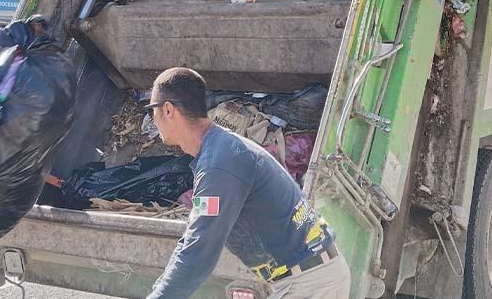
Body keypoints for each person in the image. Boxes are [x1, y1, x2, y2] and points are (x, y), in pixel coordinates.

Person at [146, 67, 351, 299]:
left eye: (152, 110)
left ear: (168, 109)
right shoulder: (218, 154)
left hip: (312, 284)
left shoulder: (219, 165)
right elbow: (195, 236)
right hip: (310, 279)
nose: (153, 119)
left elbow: (198, 252)